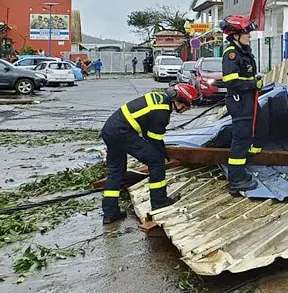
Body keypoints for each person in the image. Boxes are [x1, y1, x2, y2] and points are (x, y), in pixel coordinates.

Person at [100, 83, 199, 224]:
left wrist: (159, 150)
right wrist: (163, 155)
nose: (187, 109)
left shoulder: (159, 99)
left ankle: (110, 213)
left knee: (116, 172)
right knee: (156, 162)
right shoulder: (163, 110)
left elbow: (148, 132)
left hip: (110, 131)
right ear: (180, 101)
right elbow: (155, 139)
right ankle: (159, 201)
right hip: (123, 133)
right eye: (188, 105)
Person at [220, 14, 262, 194]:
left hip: (247, 101)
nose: (250, 36)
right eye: (246, 33)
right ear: (235, 35)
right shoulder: (231, 54)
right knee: (241, 139)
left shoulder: (243, 51)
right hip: (239, 102)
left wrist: (254, 80)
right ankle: (236, 180)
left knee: (247, 138)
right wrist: (253, 84)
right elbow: (231, 81)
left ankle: (241, 172)